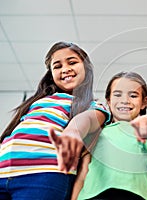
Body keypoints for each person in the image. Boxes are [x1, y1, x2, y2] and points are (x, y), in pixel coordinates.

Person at [0, 41, 110, 200]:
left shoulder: (91, 105)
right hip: (3, 170)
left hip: (43, 173)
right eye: (57, 66)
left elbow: (90, 119)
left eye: (72, 62)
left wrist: (73, 131)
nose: (65, 69)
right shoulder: (38, 101)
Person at [73, 71, 147, 200]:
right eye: (117, 95)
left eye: (133, 95)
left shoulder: (143, 129)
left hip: (137, 195)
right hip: (95, 195)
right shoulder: (98, 131)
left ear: (144, 102)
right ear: (108, 101)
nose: (125, 100)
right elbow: (83, 173)